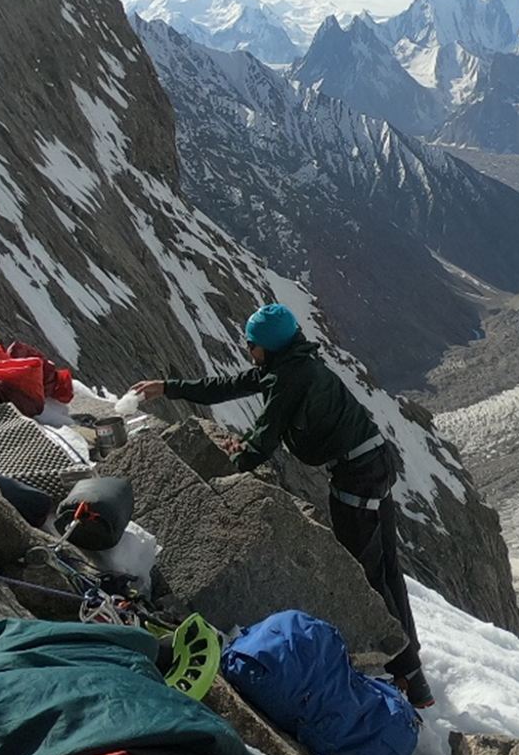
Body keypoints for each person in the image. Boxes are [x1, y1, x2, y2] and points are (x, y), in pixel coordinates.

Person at [129, 303, 434, 709]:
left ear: (268, 346)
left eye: (252, 345)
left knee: (365, 576)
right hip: (373, 461)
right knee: (386, 568)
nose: (248, 351)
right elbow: (231, 385)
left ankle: (410, 679)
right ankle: (411, 667)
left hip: (356, 477)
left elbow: (264, 437)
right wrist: (168, 387)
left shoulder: (290, 376)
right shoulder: (294, 363)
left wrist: (228, 465)